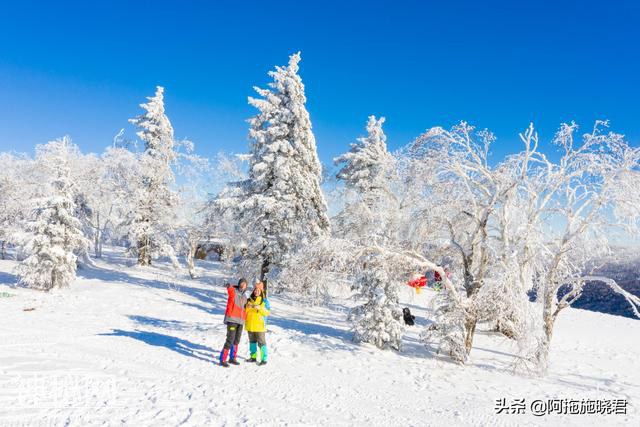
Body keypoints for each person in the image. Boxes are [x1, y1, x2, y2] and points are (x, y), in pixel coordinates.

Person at [219, 278, 248, 367]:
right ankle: (223, 359)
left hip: (240, 321)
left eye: (245, 284)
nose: (243, 285)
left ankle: (232, 358)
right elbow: (230, 290)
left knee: (236, 340)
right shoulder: (234, 292)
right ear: (239, 284)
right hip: (232, 320)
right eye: (242, 283)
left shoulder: (245, 297)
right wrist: (228, 286)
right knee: (230, 340)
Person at [245, 281, 270, 365]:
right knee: (252, 342)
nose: (256, 292)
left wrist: (259, 308)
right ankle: (253, 357)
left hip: (260, 326)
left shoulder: (264, 301)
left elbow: (267, 313)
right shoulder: (249, 300)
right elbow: (245, 312)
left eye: (258, 290)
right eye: (255, 290)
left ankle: (264, 359)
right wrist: (247, 307)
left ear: (261, 292)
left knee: (261, 343)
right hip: (250, 325)